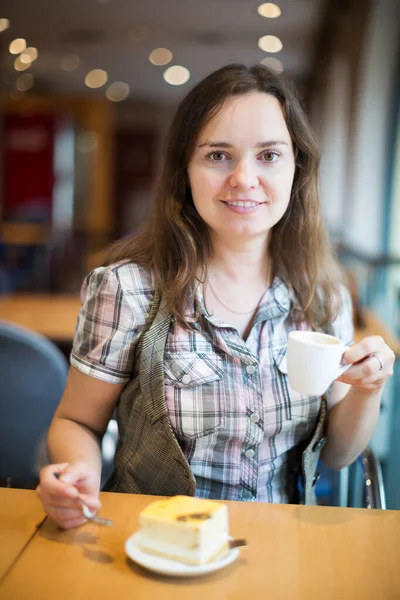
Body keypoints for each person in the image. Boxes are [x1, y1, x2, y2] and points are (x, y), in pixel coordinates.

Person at [36, 64, 395, 529]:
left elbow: (341, 455)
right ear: (185, 170)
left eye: (268, 155)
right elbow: (77, 423)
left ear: (296, 168)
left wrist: (368, 389)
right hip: (154, 545)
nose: (244, 178)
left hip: (281, 547)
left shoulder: (323, 295)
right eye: (218, 155)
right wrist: (78, 473)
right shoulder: (128, 289)